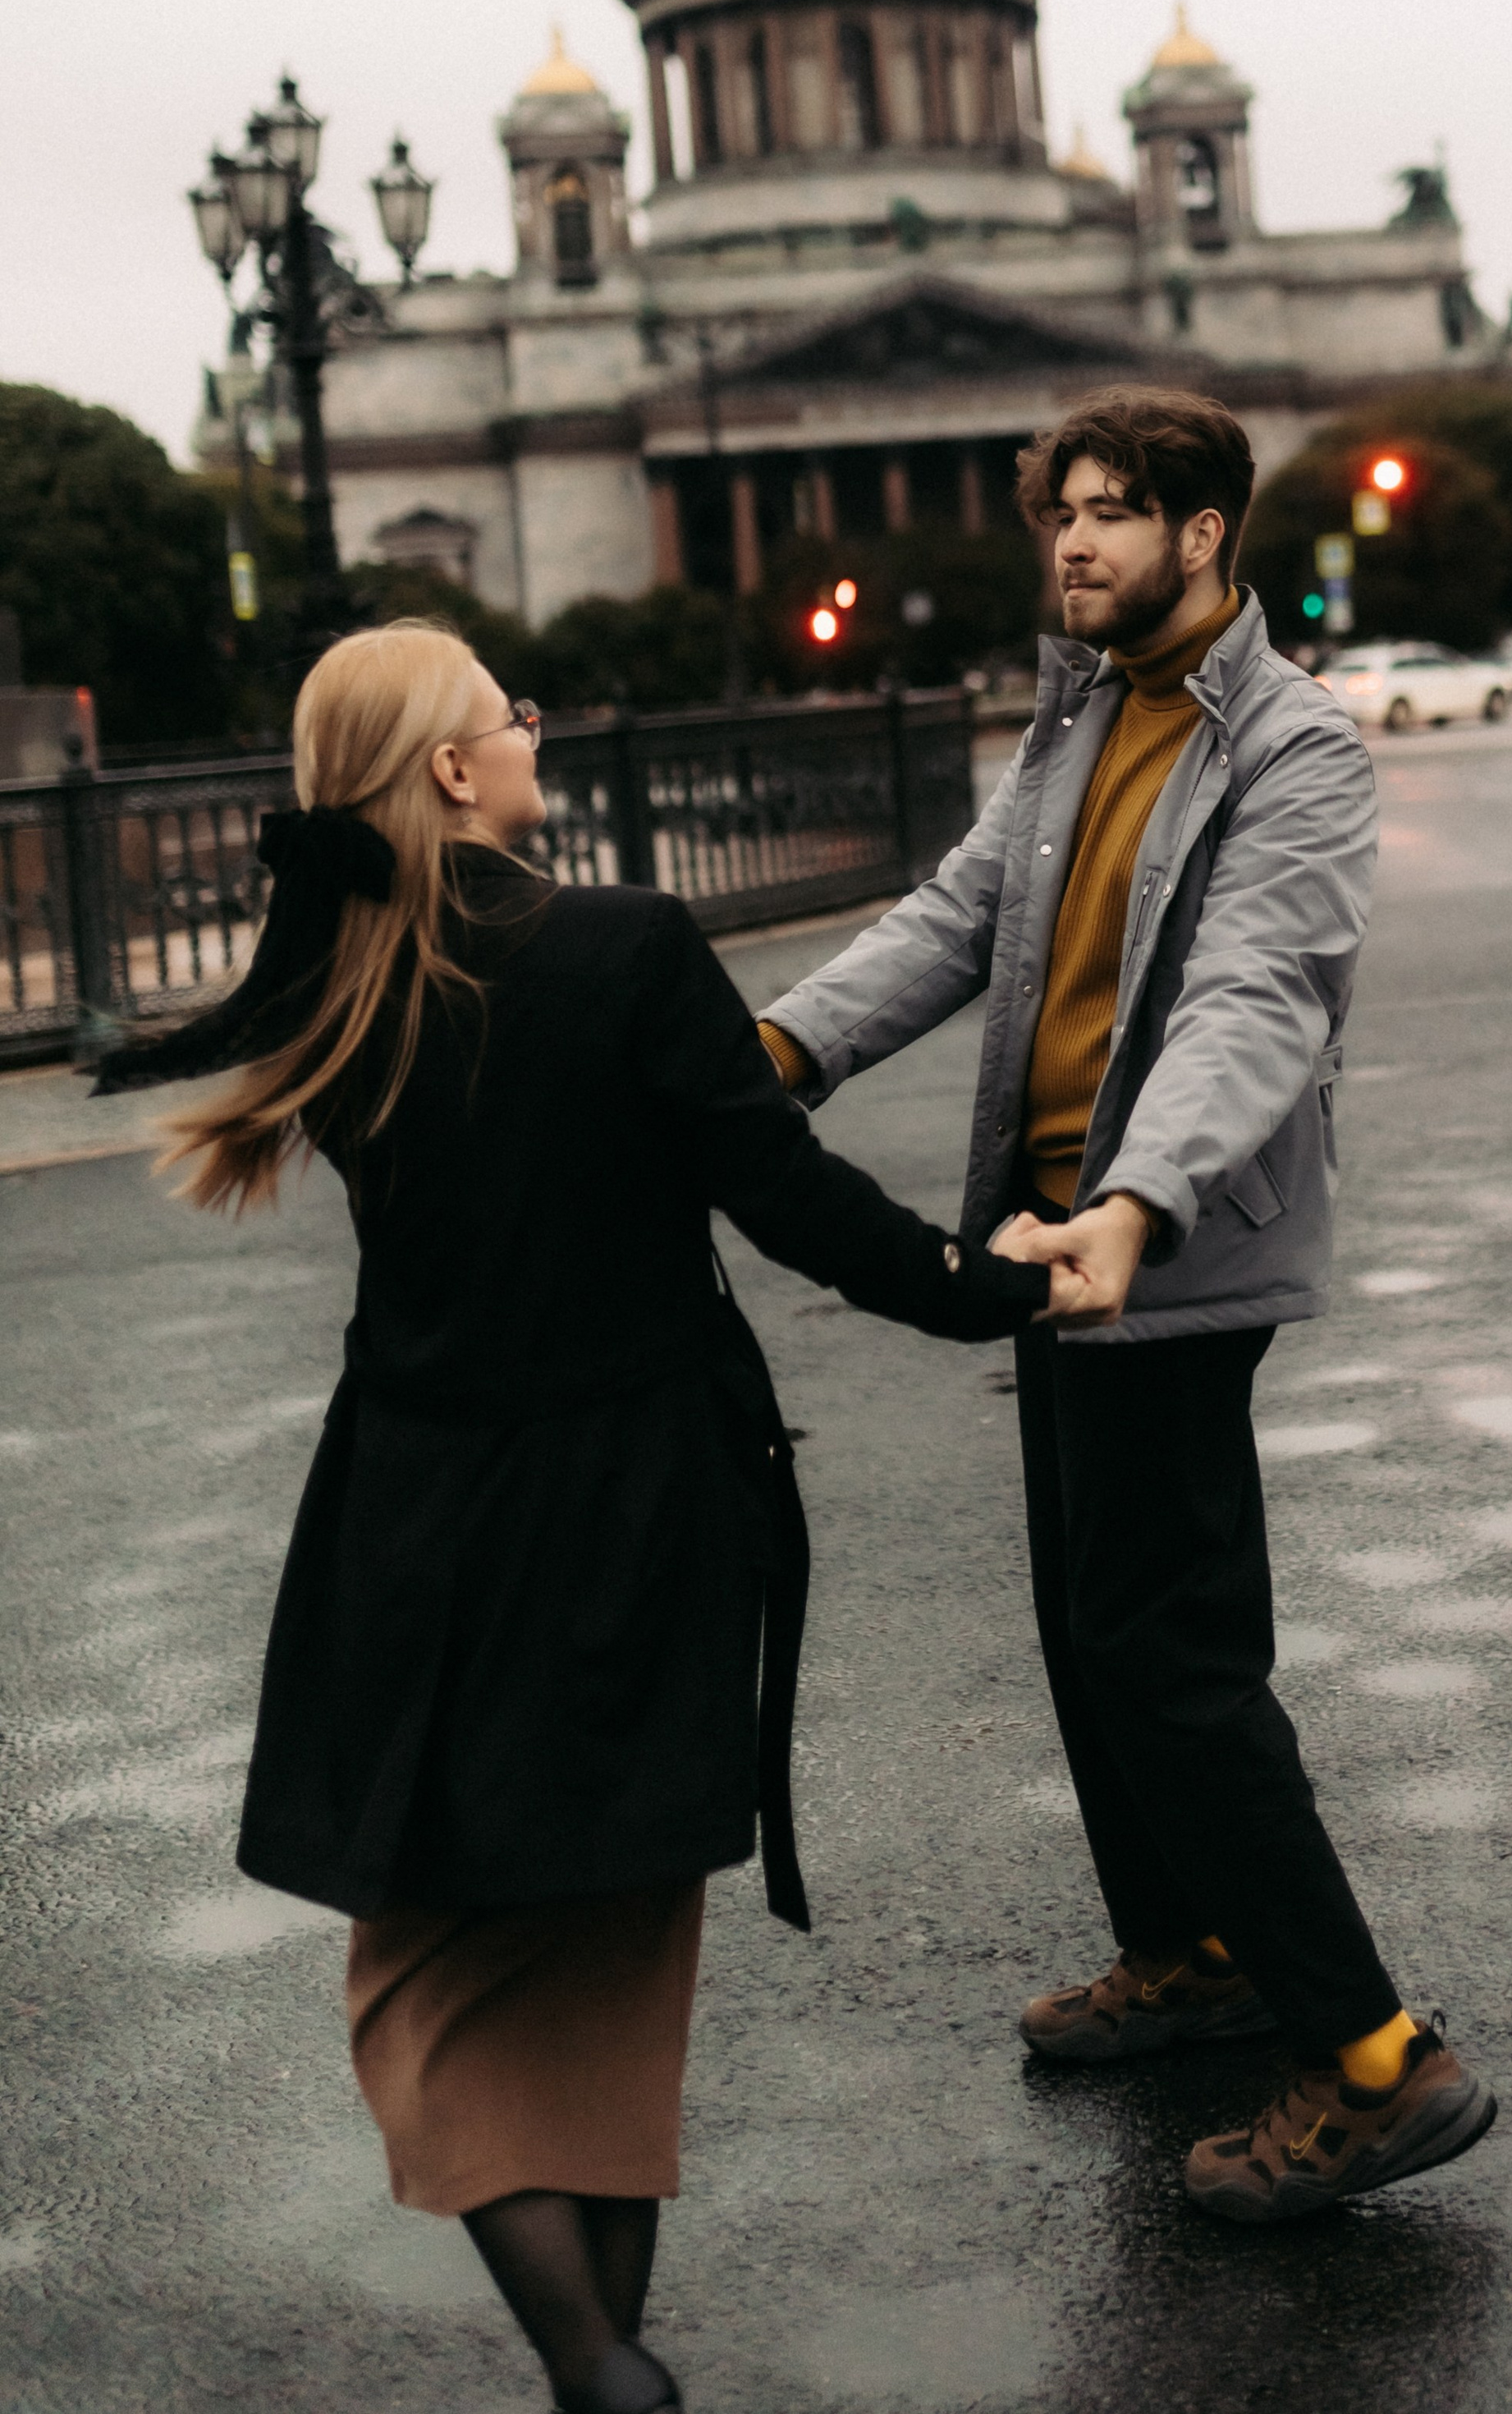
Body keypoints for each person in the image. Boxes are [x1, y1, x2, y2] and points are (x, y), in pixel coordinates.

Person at [95, 620, 1056, 2414]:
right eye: (509, 713)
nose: (534, 730)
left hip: (424, 1521)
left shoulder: (339, 983)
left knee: (427, 1966)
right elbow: (786, 1196)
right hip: (646, 1507)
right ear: (455, 768)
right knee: (613, 1952)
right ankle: (604, 2367)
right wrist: (990, 1284)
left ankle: (595, 2369)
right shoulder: (622, 945)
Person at [757, 388, 1496, 2224]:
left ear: (1204, 530)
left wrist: (1137, 1202)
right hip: (1047, 1236)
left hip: (1159, 1245)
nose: (1073, 542)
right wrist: (780, 1045)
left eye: (1109, 511)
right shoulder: (1083, 709)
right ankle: (1191, 1950)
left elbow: (1260, 993)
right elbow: (959, 914)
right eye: (1061, 513)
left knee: (1172, 1660)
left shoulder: (1292, 745)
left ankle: (1376, 2055)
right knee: (1093, 1635)